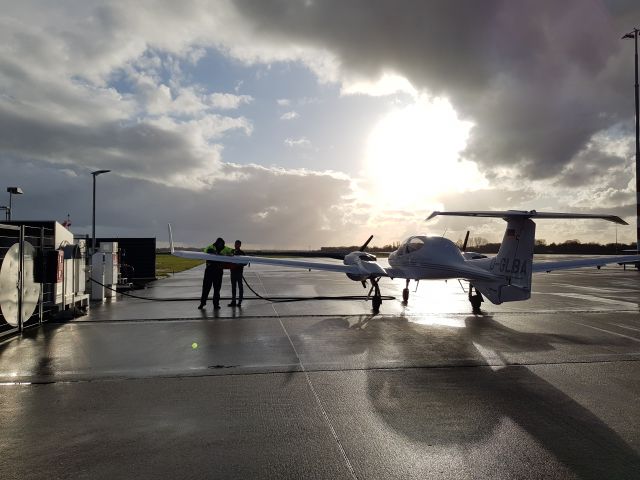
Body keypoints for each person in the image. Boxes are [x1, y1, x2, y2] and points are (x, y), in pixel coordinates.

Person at [198, 237, 233, 310]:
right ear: (216, 243)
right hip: (209, 271)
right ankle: (202, 303)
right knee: (206, 288)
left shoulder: (225, 248)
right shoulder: (211, 246)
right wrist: (212, 251)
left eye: (222, 244)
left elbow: (231, 250)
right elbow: (205, 250)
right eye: (219, 244)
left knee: (217, 289)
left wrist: (232, 253)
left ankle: (216, 304)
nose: (220, 245)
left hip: (218, 271)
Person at [228, 240, 246, 307]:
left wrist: (239, 264)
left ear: (240, 245)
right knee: (233, 287)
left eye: (237, 244)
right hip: (232, 272)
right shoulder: (231, 252)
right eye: (235, 244)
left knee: (240, 287)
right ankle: (233, 301)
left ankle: (240, 302)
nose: (236, 245)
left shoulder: (242, 253)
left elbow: (245, 262)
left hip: (239, 272)